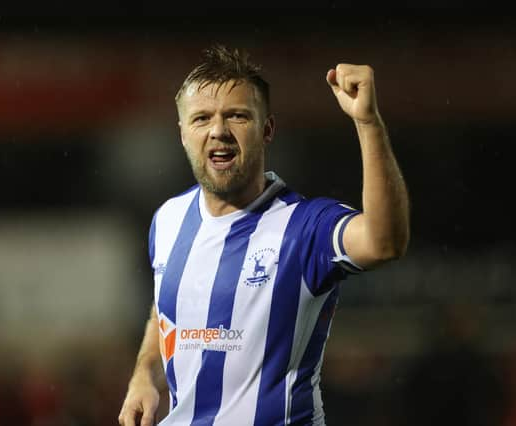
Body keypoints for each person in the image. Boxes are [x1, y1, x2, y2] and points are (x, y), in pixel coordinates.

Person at [118, 44, 410, 426]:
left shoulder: (305, 227)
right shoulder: (169, 219)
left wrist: (368, 123)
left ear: (267, 129)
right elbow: (167, 311)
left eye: (236, 116)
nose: (218, 130)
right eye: (201, 118)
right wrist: (145, 374)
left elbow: (384, 242)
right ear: (183, 135)